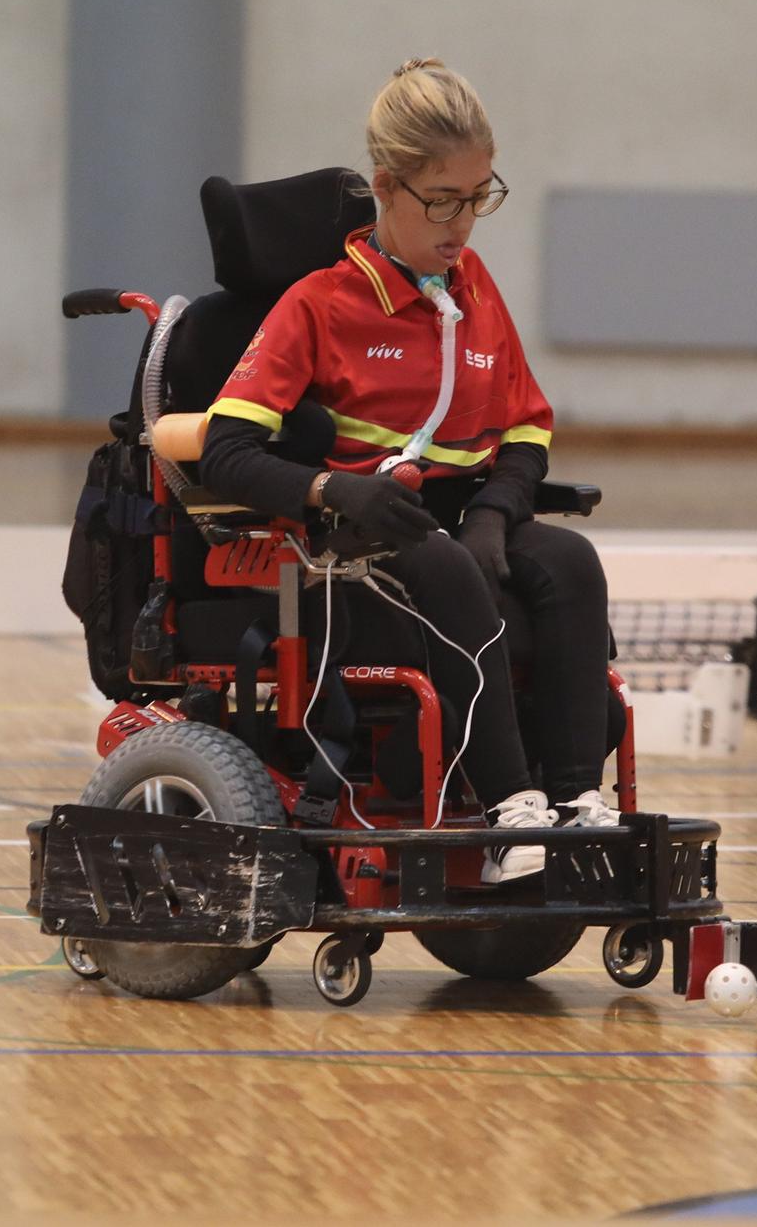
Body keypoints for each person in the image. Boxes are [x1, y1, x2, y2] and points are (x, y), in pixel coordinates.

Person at [198, 58, 614, 883]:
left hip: (462, 514)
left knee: (569, 561)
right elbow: (225, 451)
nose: (462, 224)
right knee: (447, 565)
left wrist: (500, 506)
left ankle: (575, 799)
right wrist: (333, 489)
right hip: (352, 537)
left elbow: (528, 422)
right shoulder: (316, 305)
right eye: (443, 201)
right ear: (386, 187)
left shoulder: (473, 288)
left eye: (479, 197)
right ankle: (507, 810)